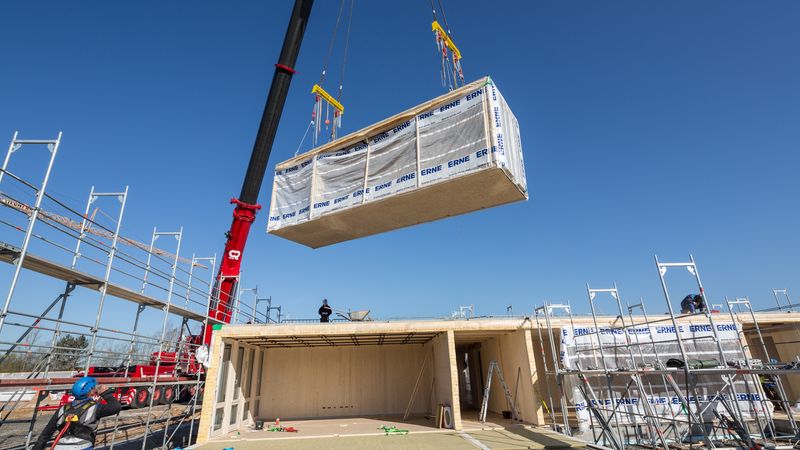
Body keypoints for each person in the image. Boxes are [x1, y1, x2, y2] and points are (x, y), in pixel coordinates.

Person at [34, 377, 121, 450]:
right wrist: (105, 393)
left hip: (60, 446)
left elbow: (45, 434)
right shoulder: (94, 408)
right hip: (82, 446)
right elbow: (115, 407)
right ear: (91, 392)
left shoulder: (63, 409)